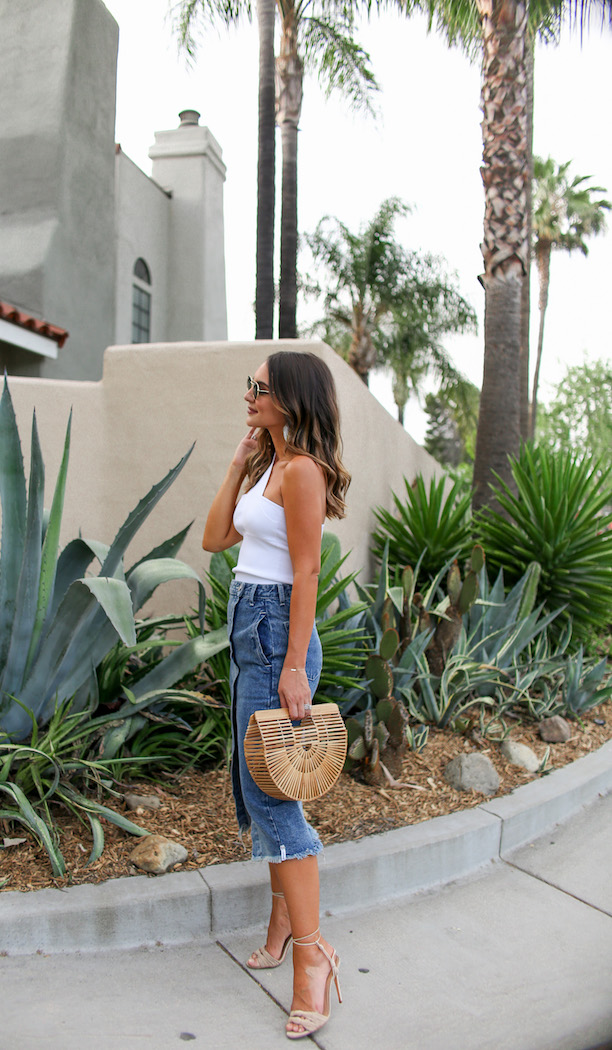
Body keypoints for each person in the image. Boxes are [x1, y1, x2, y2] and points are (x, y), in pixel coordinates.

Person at [202, 350, 351, 1040]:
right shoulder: (269, 467)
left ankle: (312, 957)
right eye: (250, 388)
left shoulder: (303, 473)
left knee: (272, 794)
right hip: (248, 626)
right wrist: (239, 460)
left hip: (273, 634)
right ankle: (280, 924)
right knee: (255, 781)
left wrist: (294, 663)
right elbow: (214, 539)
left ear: (291, 398)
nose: (249, 397)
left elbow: (307, 568)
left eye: (259, 390)